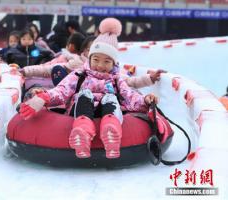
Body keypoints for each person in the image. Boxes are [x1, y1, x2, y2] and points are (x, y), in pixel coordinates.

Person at [18, 18, 168, 159]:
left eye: (106, 61)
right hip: (82, 110)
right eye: (96, 60)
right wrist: (44, 97)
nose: (100, 66)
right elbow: (62, 90)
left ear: (113, 63)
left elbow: (130, 95)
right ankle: (82, 132)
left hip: (106, 111)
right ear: (89, 58)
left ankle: (111, 131)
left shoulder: (116, 79)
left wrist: (145, 100)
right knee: (85, 94)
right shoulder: (79, 74)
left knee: (110, 97)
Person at [19, 32, 86, 85]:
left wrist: (24, 70)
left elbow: (46, 68)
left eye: (29, 39)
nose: (26, 41)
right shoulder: (83, 62)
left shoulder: (65, 58)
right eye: (24, 39)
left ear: (71, 46)